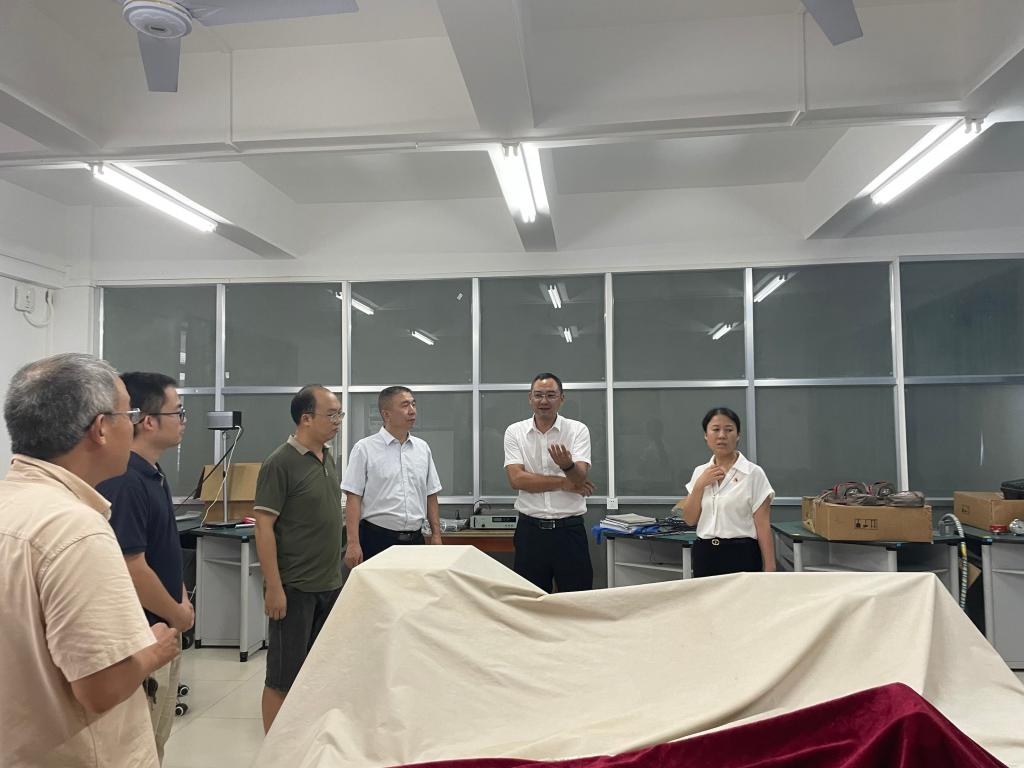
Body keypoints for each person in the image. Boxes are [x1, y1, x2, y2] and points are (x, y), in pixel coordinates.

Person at [0, 353, 181, 767]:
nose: (133, 425)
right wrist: (153, 651)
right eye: (128, 415)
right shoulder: (75, 530)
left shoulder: (10, 505)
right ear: (101, 428)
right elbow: (101, 687)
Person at [96, 372, 193, 761]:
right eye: (178, 412)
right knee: (137, 748)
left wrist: (180, 599)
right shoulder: (125, 481)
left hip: (164, 631)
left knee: (156, 743)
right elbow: (130, 565)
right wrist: (177, 613)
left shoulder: (153, 473)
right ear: (147, 420)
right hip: (140, 637)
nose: (183, 420)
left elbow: (159, 550)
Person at [253, 385, 344, 733]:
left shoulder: (327, 456)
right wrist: (274, 587)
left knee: (318, 673)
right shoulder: (280, 463)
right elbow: (263, 526)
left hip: (329, 584)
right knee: (282, 677)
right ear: (306, 419)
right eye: (331, 414)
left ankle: (306, 739)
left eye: (339, 414)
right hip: (295, 589)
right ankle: (275, 752)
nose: (337, 421)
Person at [504, 373, 594, 592]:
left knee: (576, 599)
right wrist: (563, 482)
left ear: (562, 398)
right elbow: (517, 479)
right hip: (530, 532)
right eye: (538, 395)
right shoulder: (515, 432)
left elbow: (580, 478)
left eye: (551, 395)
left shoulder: (577, 430)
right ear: (530, 398)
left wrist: (568, 466)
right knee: (531, 600)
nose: (544, 401)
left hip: (569, 531)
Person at [342, 386, 442, 568]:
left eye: (413, 404)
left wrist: (436, 534)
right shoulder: (364, 449)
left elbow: (431, 494)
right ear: (386, 414)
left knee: (414, 587)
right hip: (377, 540)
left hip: (415, 541)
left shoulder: (422, 448)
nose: (412, 410)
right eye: (405, 405)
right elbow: (353, 498)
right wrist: (353, 543)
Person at [680, 407, 776, 577]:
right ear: (706, 435)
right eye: (716, 429)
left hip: (742, 554)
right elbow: (689, 519)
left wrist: (770, 569)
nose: (722, 435)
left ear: (738, 435)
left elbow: (762, 524)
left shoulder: (753, 473)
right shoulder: (700, 472)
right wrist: (699, 485)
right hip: (705, 554)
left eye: (729, 430)